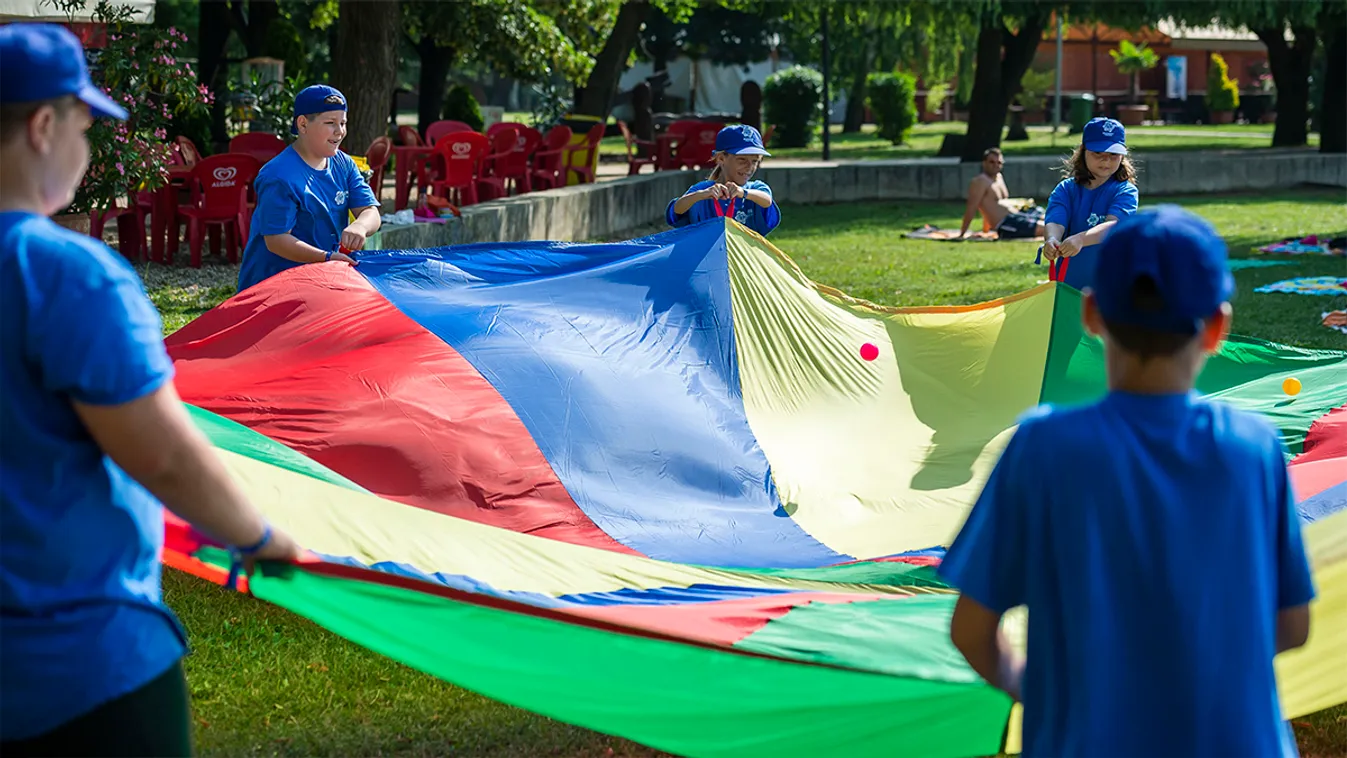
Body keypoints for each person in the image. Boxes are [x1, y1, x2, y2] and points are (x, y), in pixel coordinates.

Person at [1, 23, 302, 756]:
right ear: (44, 126)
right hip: (77, 663)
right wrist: (259, 537)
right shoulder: (66, 274)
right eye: (84, 126)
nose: (89, 147)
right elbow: (161, 454)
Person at [938, 205, 1315, 758]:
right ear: (1217, 327)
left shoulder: (1043, 447)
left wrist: (1039, 692)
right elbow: (1292, 626)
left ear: (1092, 315)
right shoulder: (1254, 448)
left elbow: (972, 632)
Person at [236, 83, 381, 292]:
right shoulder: (278, 175)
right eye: (330, 123)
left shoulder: (344, 164)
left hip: (320, 280)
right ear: (303, 125)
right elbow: (276, 240)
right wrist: (326, 258)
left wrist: (360, 226)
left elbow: (371, 212)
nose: (339, 132)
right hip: (272, 288)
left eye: (343, 123)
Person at [1040, 117, 1140, 289]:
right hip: (1069, 284)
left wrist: (1080, 239)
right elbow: (1055, 220)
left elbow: (1113, 225)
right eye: (1098, 153)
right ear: (1083, 152)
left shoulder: (1125, 191)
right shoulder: (1066, 189)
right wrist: (1052, 239)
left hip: (1110, 287)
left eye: (1113, 155)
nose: (1106, 161)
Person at [667, 123, 781, 237]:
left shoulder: (755, 189)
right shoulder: (703, 189)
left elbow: (767, 200)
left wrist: (743, 193)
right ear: (721, 158)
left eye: (755, 161)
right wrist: (701, 195)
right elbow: (677, 209)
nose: (749, 166)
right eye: (742, 159)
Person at [958, 147, 1045, 240]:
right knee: (1049, 229)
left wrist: (986, 231)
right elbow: (972, 207)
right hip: (1007, 224)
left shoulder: (999, 177)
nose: (996, 165)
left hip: (1017, 215)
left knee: (1051, 218)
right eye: (992, 162)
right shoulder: (980, 181)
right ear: (984, 163)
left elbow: (991, 205)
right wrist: (962, 234)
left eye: (999, 162)